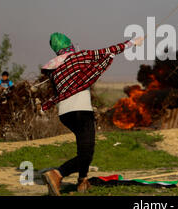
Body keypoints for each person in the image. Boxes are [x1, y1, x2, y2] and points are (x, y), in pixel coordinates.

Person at [41, 32, 143, 196]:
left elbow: (66, 87)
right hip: (81, 110)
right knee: (87, 154)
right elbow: (105, 51)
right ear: (69, 45)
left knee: (84, 150)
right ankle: (57, 174)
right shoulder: (79, 57)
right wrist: (132, 42)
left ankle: (82, 182)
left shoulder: (54, 69)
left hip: (65, 114)